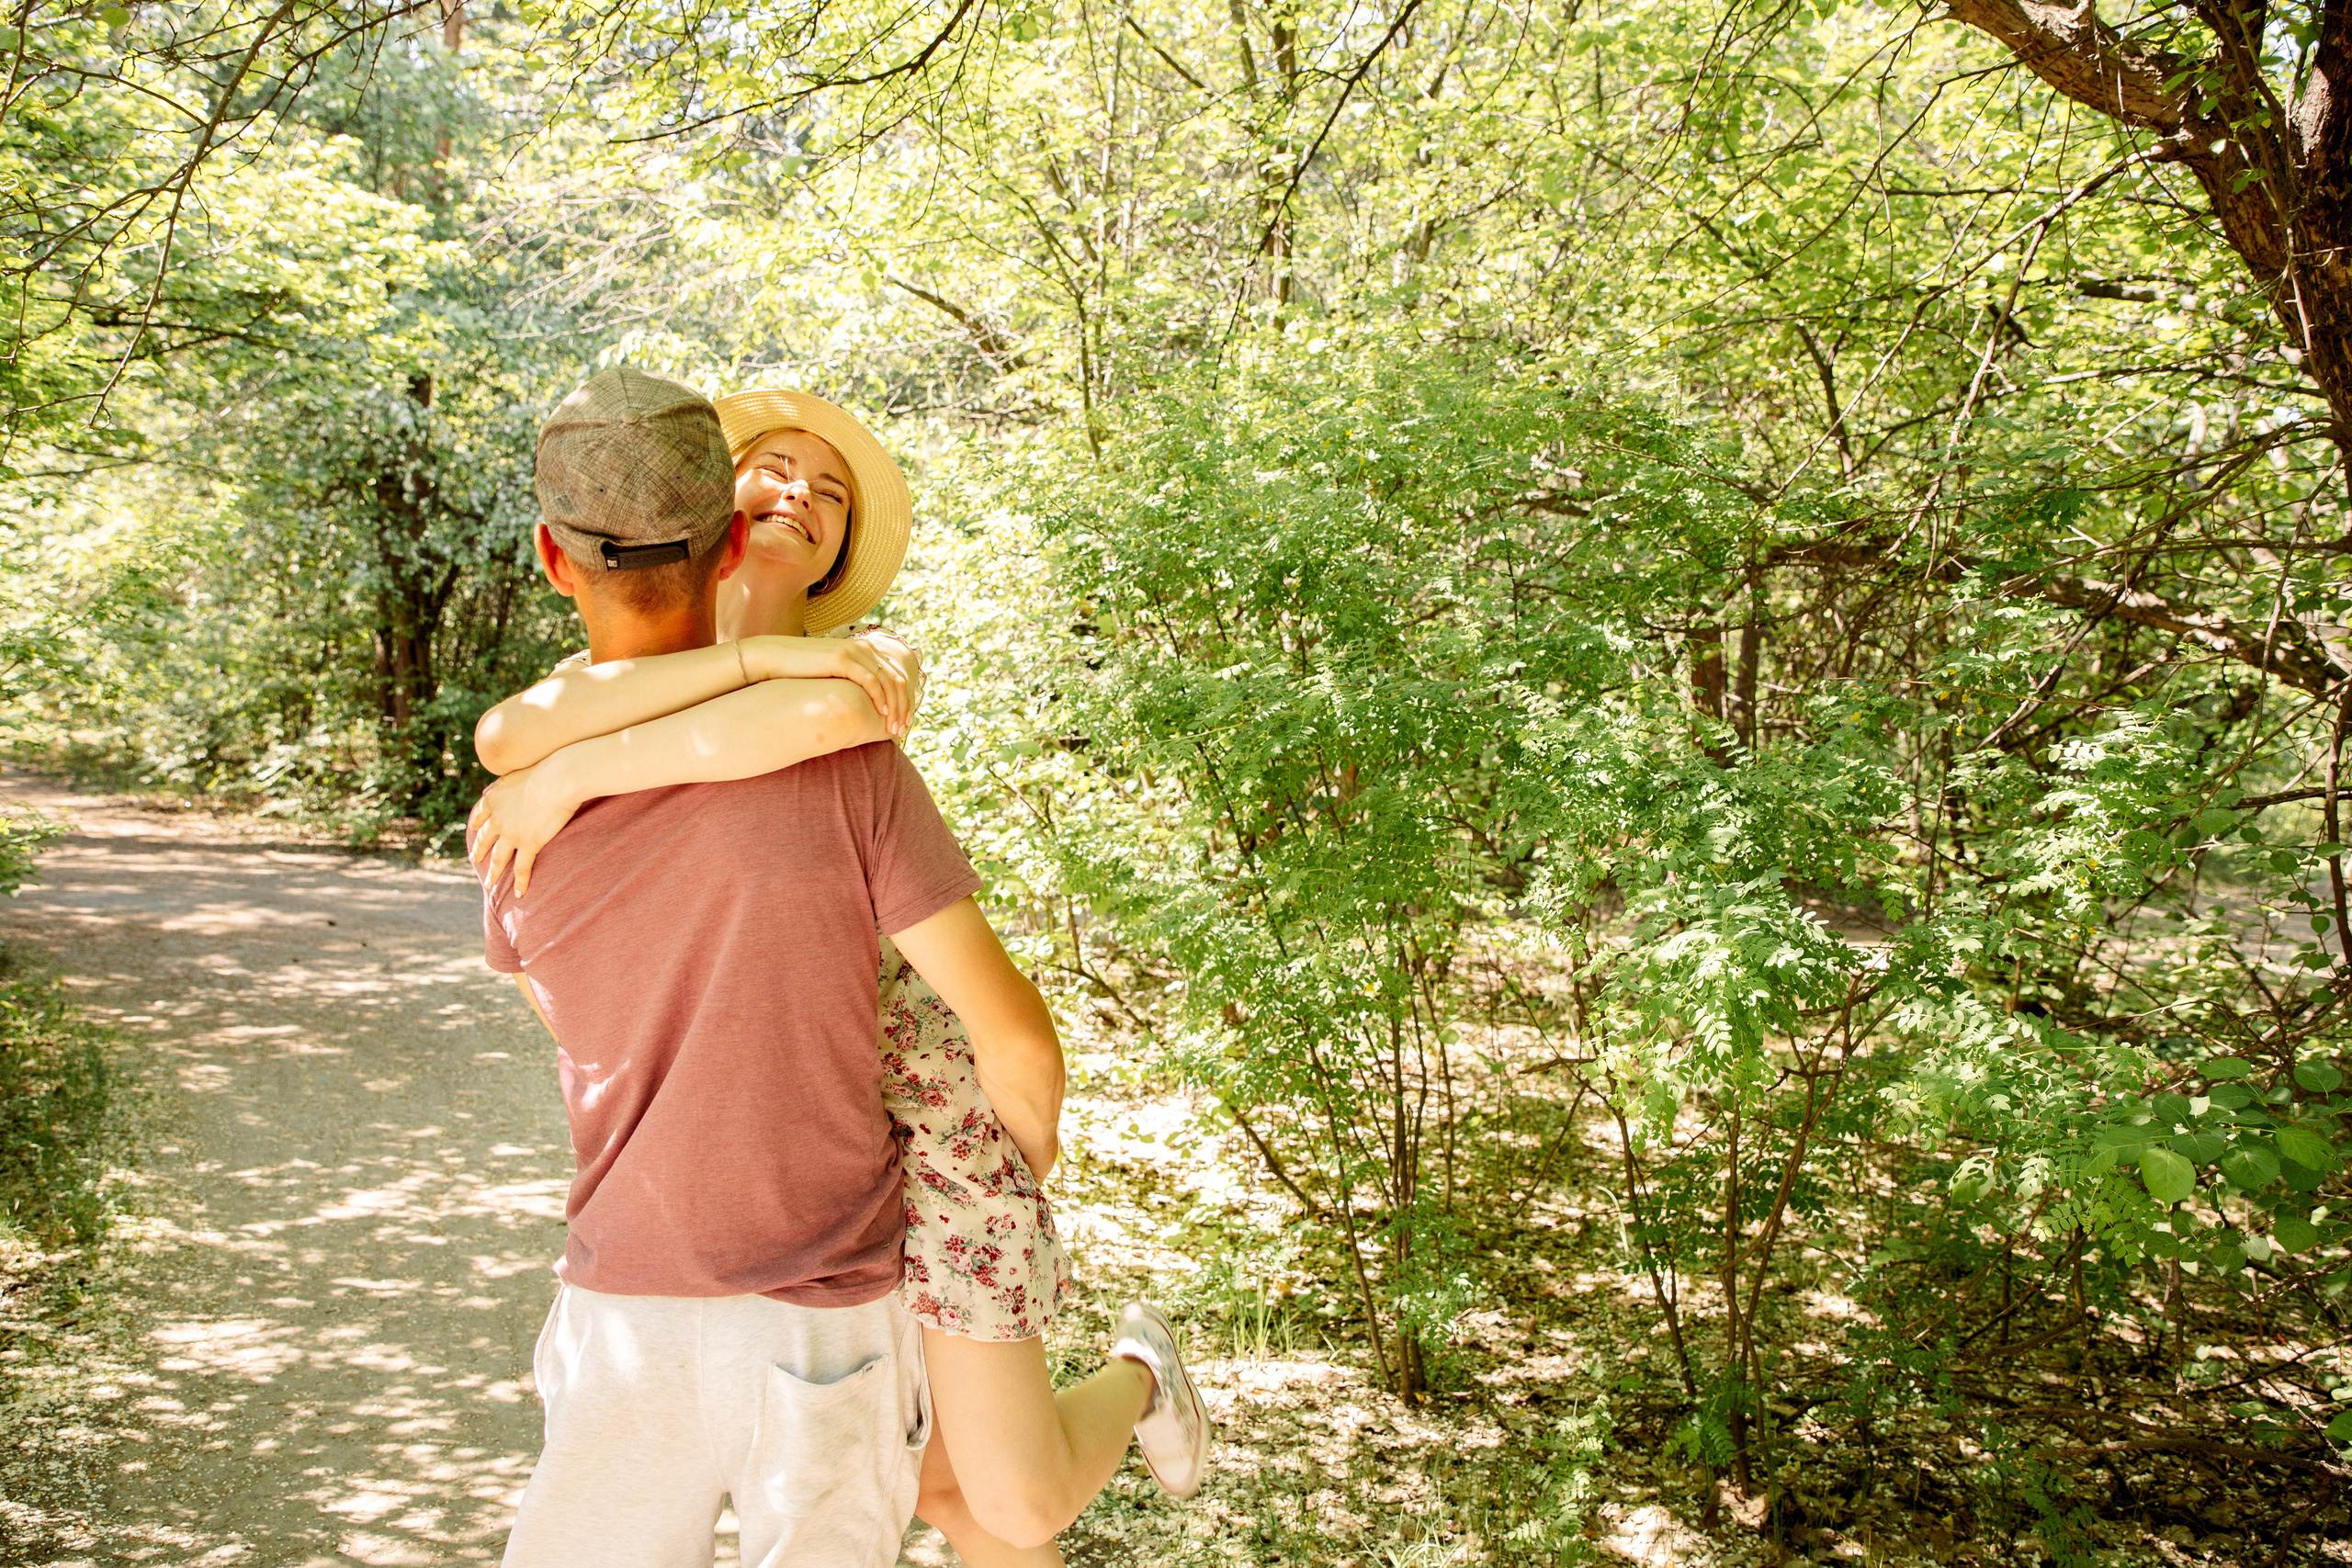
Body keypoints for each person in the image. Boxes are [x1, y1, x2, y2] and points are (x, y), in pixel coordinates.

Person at [472, 369, 1207, 1568]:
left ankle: (1136, 1379)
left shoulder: (854, 687)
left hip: (925, 1122)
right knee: (959, 1496)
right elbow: (521, 743)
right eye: (774, 468)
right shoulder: (594, 711)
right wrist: (567, 771)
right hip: (801, 1152)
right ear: (715, 529)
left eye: (829, 493)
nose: (798, 495)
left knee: (1002, 1495)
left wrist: (1012, 1163)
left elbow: (792, 742)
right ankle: (1125, 1389)